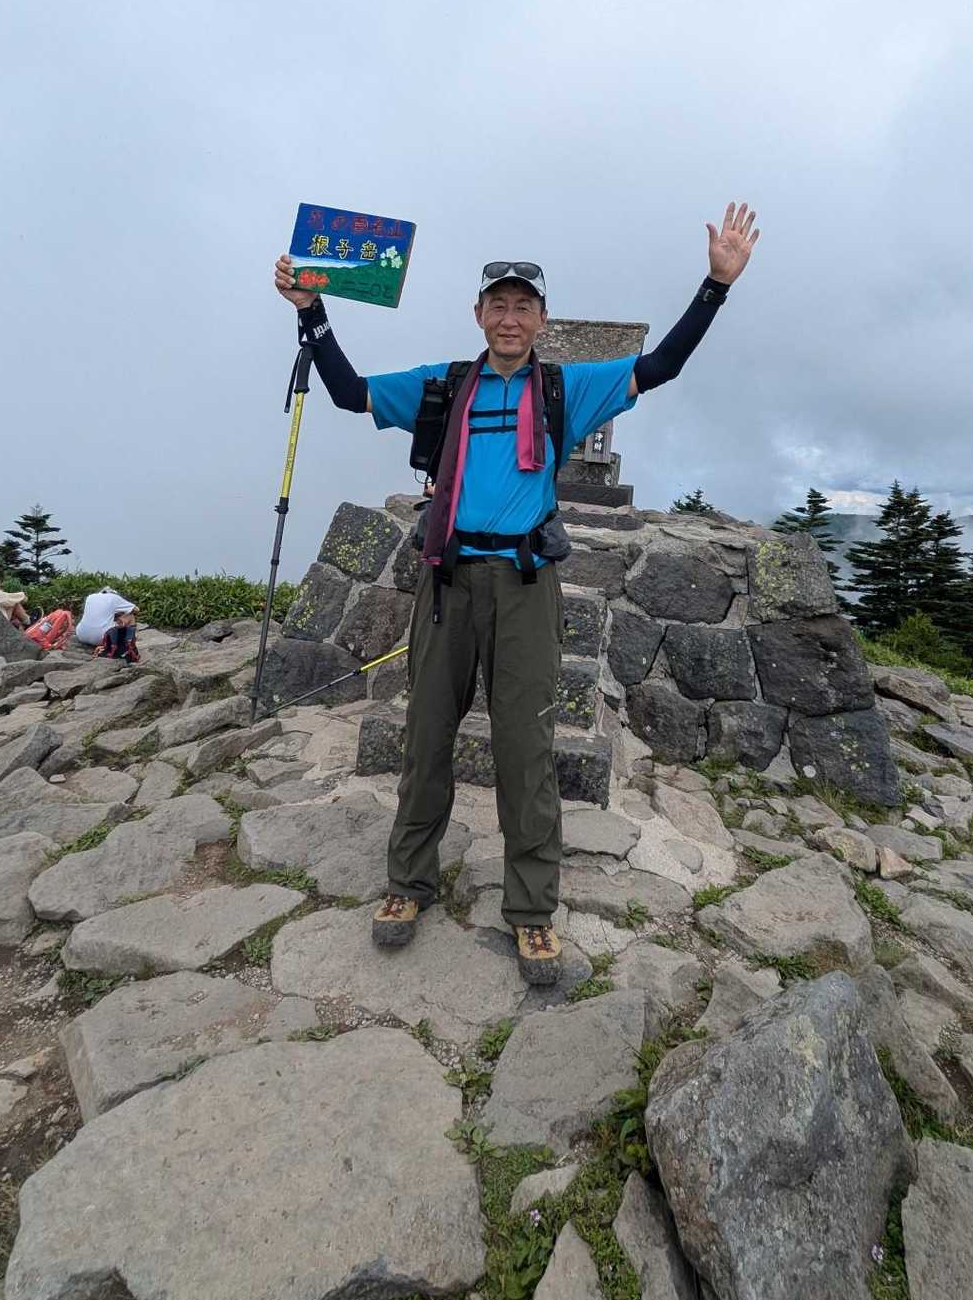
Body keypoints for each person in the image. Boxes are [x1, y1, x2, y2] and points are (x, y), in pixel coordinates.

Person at [273, 200, 759, 985]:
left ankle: (531, 910)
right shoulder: (443, 386)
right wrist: (312, 311)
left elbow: (661, 366)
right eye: (497, 305)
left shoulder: (566, 389)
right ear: (479, 314)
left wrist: (716, 286)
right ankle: (408, 883)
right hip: (446, 583)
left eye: (522, 306)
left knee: (525, 749)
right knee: (425, 737)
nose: (508, 318)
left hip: (527, 586)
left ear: (541, 319)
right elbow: (350, 393)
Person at [77, 585, 137, 649]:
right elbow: (136, 609)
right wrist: (121, 614)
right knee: (131, 616)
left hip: (81, 635)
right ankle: (130, 641)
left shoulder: (90, 597)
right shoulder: (114, 597)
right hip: (101, 639)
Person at [0, 565, 30, 629]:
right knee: (14, 603)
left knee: (7, 605)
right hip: (0, 625)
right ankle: (28, 621)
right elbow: (23, 598)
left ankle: (18, 623)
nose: (1, 584)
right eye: (0, 582)